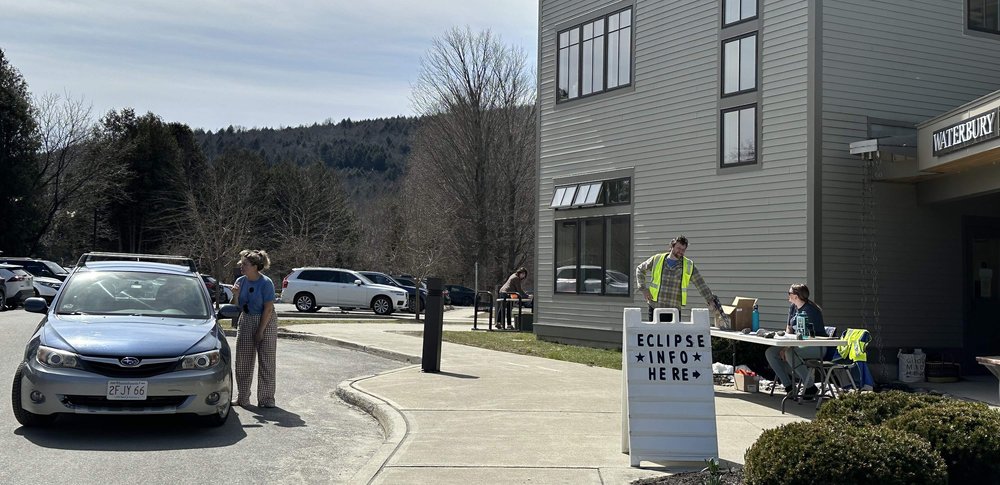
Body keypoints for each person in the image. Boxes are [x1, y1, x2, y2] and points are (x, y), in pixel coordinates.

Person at [635, 235, 726, 323]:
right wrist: (643, 289)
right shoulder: (657, 259)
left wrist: (710, 299)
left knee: (672, 337)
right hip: (655, 306)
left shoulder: (688, 265)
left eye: (683, 250)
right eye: (678, 248)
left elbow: (700, 284)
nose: (680, 252)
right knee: (656, 335)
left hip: (674, 309)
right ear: (672, 247)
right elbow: (640, 269)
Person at [231, 249, 278, 408]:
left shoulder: (266, 283)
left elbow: (268, 309)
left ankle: (266, 399)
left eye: (245, 264)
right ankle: (242, 398)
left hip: (266, 320)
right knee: (243, 361)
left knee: (266, 360)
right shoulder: (241, 281)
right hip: (246, 318)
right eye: (241, 263)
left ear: (255, 266)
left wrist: (260, 331)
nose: (241, 266)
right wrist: (235, 295)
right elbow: (235, 305)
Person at [764, 283, 828, 396]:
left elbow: (807, 336)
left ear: (796, 296)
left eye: (789, 293)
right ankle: (788, 386)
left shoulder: (810, 310)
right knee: (771, 353)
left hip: (816, 346)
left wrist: (787, 347)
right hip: (797, 344)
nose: (788, 296)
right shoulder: (793, 307)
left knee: (789, 353)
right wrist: (784, 345)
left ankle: (810, 387)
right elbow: (789, 329)